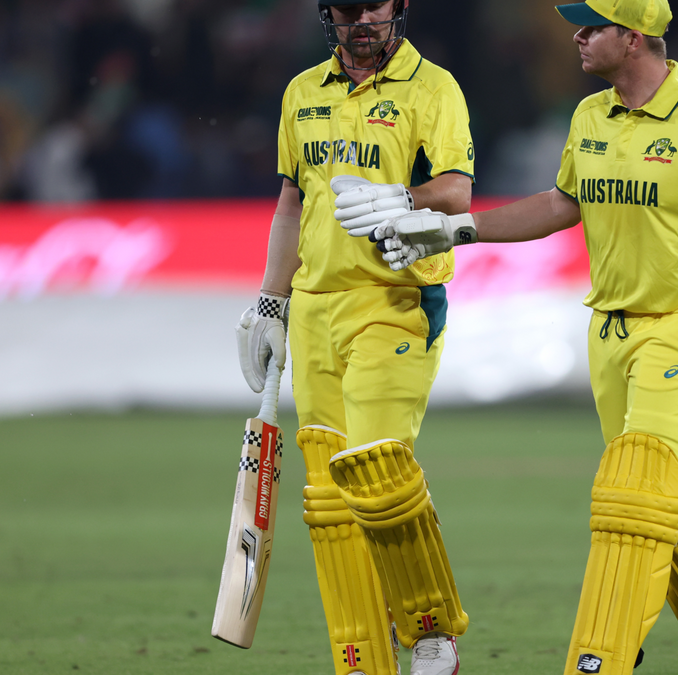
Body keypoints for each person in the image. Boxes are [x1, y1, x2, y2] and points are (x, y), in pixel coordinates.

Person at [334, 1, 678, 674]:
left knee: (634, 492)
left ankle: (601, 660)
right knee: (665, 494)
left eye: (591, 26)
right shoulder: (589, 116)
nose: (577, 37)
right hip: (608, 331)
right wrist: (456, 230)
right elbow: (560, 206)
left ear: (633, 37)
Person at [235, 2, 475, 674]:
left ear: (400, 7)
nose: (360, 20)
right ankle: (362, 657)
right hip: (314, 309)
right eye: (346, 9)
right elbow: (292, 202)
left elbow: (457, 190)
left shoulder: (433, 87)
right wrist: (271, 301)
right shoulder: (302, 92)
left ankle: (431, 629)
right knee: (329, 498)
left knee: (376, 466)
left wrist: (402, 198)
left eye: (373, 6)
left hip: (396, 300)